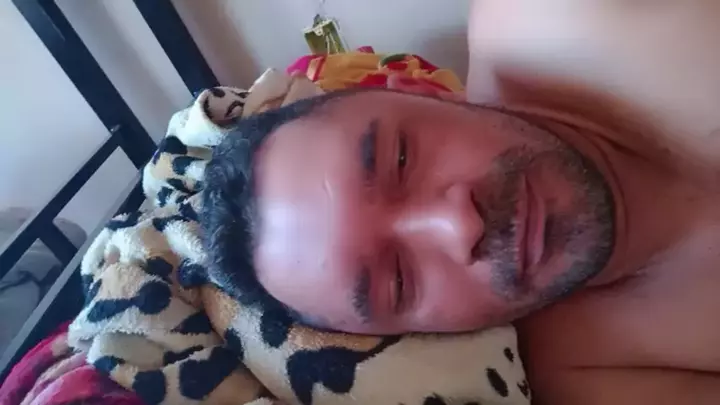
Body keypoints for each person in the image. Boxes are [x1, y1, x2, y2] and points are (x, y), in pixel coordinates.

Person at [202, 1, 720, 403]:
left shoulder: (562, 16)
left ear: (422, 90)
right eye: (399, 281)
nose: (458, 225)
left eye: (402, 158)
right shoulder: (591, 376)